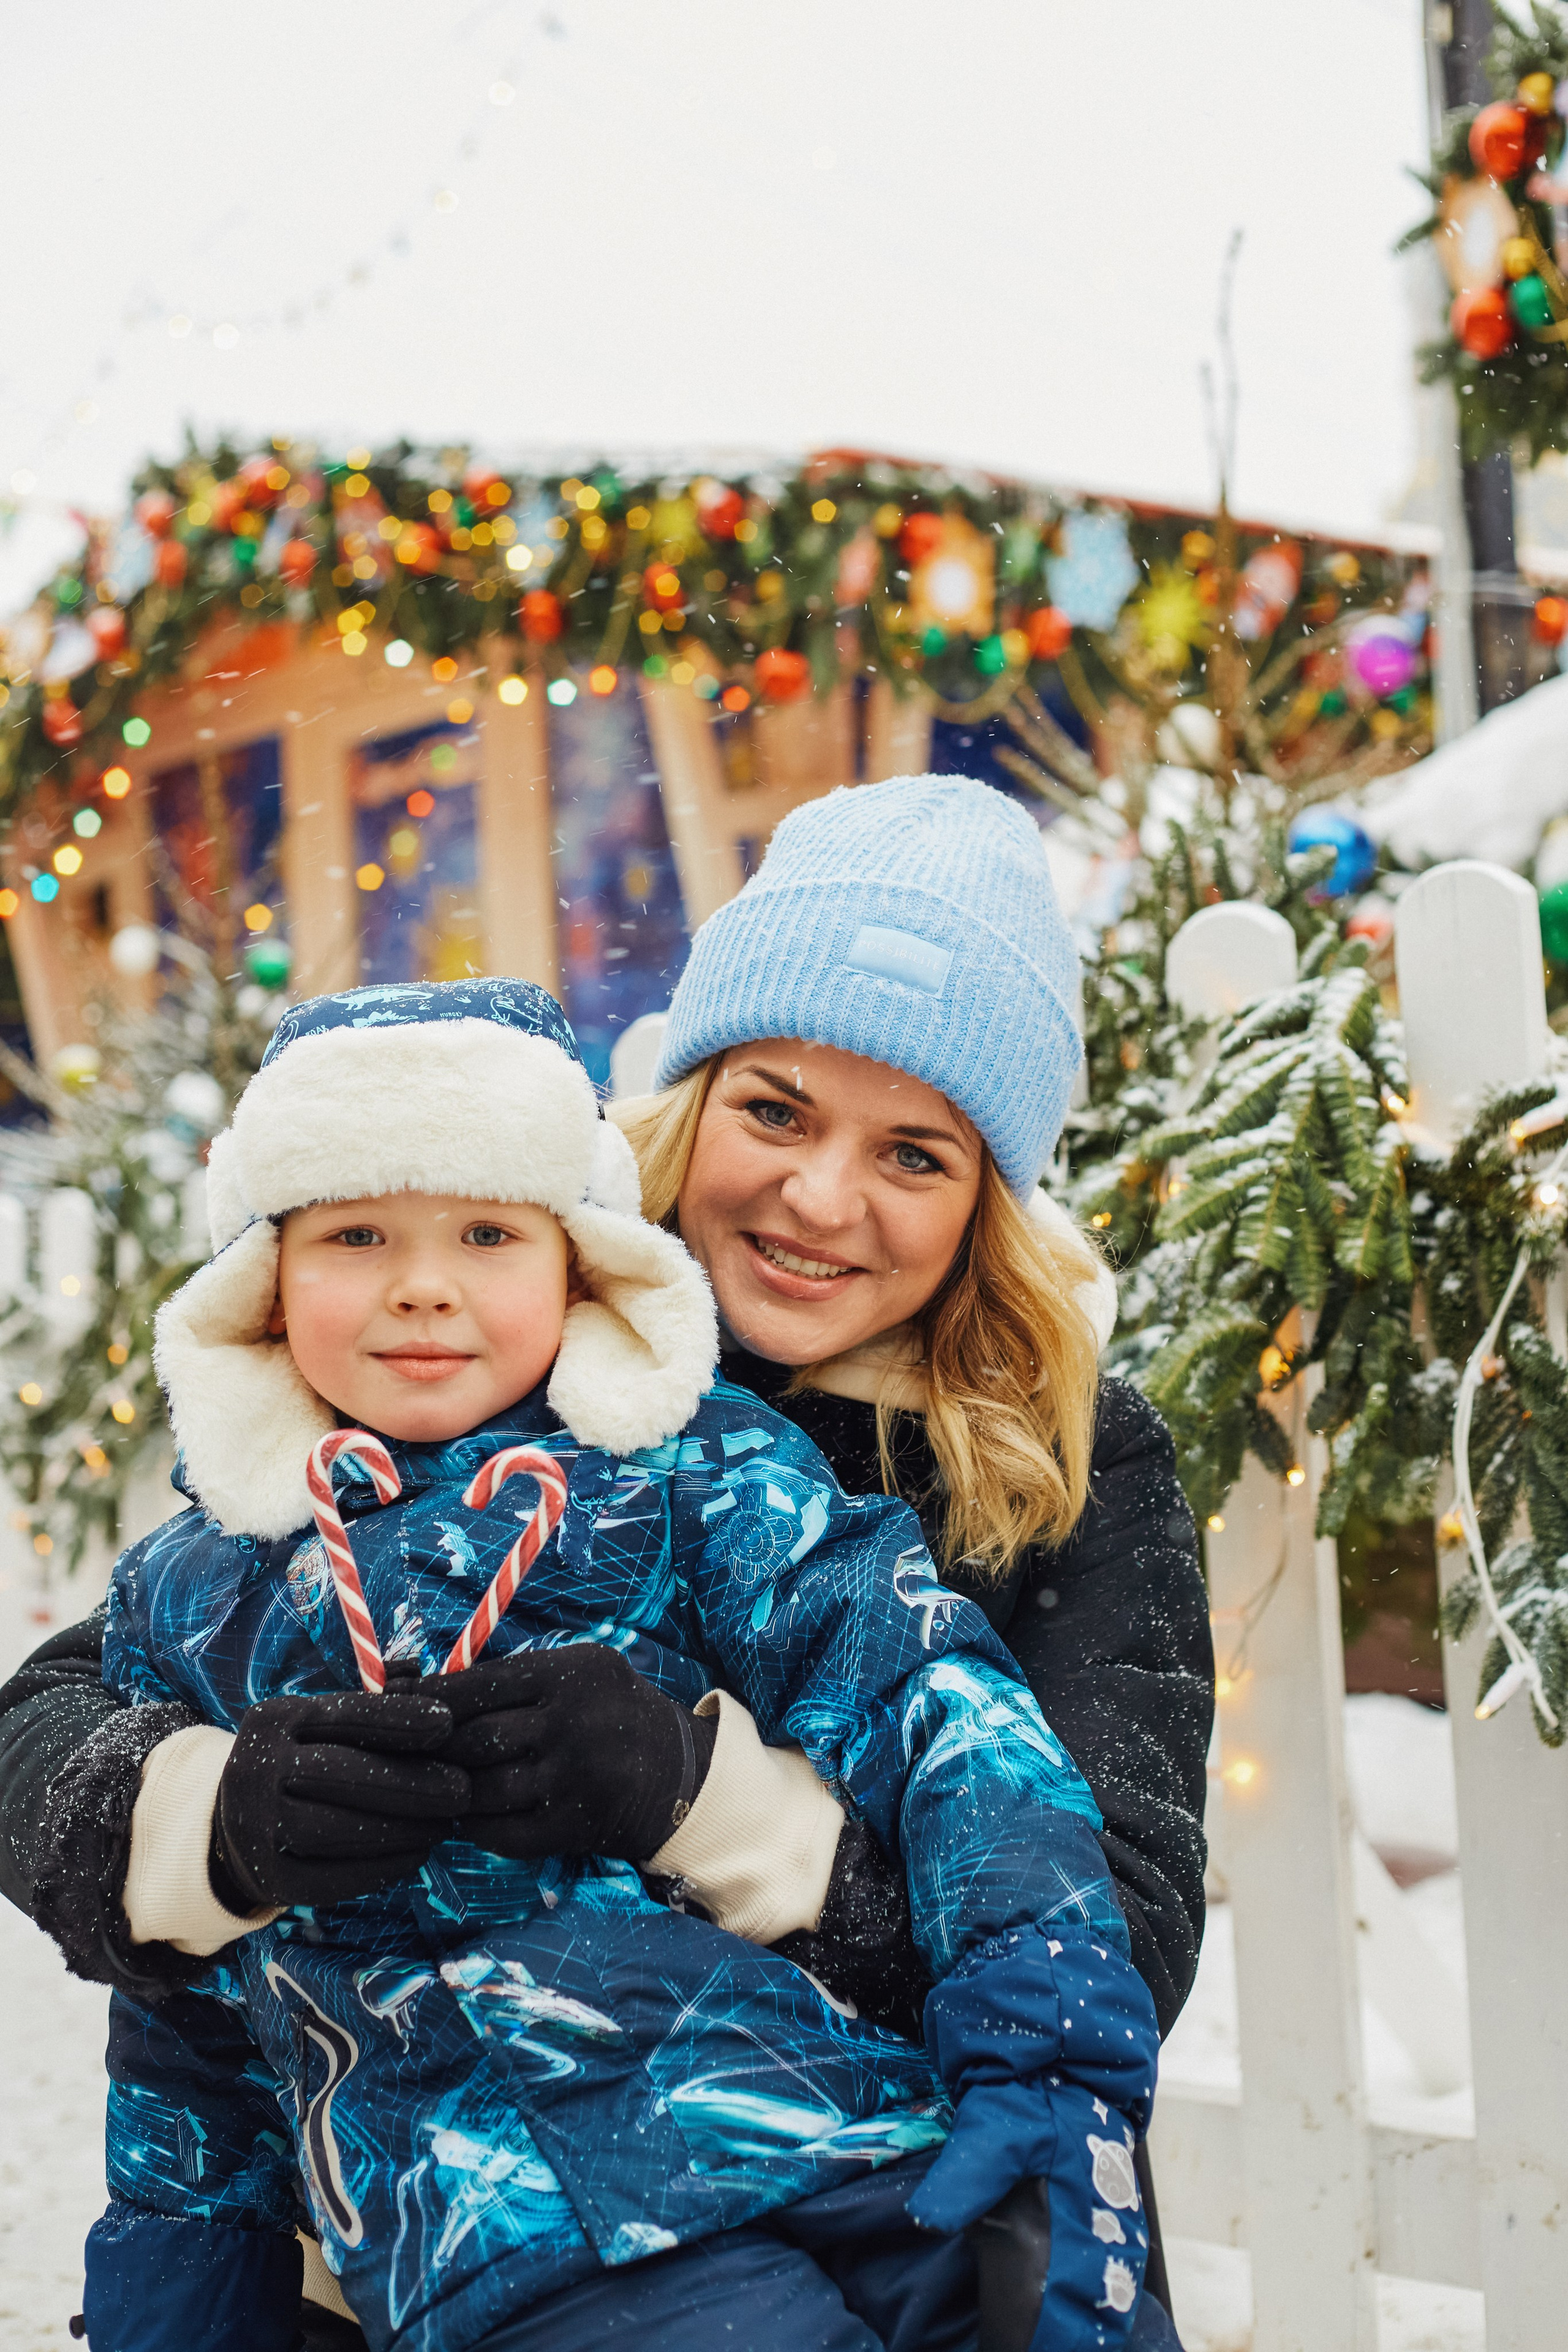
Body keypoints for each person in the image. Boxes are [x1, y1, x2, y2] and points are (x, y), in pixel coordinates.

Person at [2, 774, 1209, 2346]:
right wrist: (210, 1819)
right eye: (774, 1110)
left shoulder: (1062, 1466)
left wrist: (705, 1800)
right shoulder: (476, 1353)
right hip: (489, 2240)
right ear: (690, 1101)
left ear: (988, 1197)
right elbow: (78, 1706)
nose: (818, 1196)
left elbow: (1114, 1922)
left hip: (897, 2185)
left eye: (914, 1153)